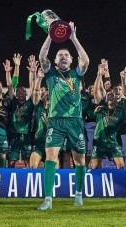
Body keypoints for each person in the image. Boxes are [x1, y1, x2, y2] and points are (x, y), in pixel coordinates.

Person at [37, 21, 90, 210]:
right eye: (60, 55)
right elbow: (42, 56)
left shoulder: (77, 74)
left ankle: (78, 195)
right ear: (56, 59)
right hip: (55, 121)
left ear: (71, 59)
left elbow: (86, 61)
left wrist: (74, 38)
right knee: (50, 157)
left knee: (80, 160)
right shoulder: (50, 73)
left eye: (66, 55)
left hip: (75, 121)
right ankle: (48, 199)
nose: (63, 57)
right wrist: (51, 35)